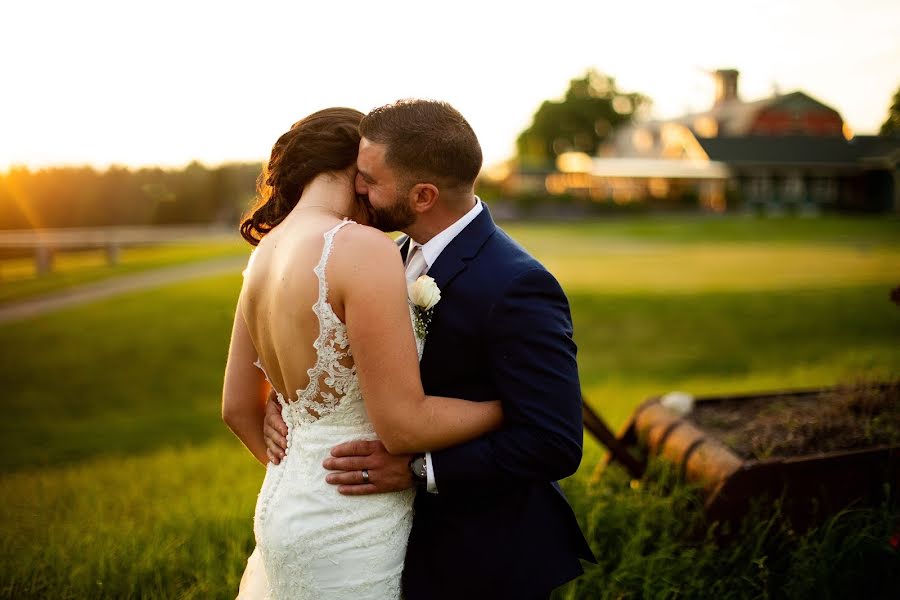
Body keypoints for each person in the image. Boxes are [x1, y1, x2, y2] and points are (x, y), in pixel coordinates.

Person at [262, 99, 595, 600]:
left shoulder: (517, 285)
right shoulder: (380, 257)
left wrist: (421, 470)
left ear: (422, 196)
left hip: (484, 556)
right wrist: (292, 403)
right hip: (389, 542)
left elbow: (554, 440)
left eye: (369, 179)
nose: (356, 187)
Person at [222, 106, 504, 600]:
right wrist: (508, 407)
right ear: (358, 167)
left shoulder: (263, 254)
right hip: (350, 518)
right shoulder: (362, 247)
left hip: (284, 505)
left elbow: (237, 409)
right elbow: (404, 425)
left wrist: (301, 447)